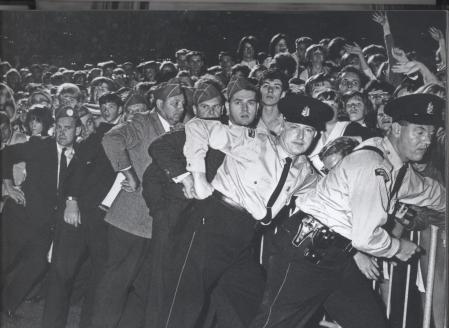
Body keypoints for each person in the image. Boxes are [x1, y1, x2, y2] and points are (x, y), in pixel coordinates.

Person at [249, 93, 446, 328]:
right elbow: (365, 237)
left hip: (337, 257)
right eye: (420, 132)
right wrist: (398, 247)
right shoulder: (373, 165)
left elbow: (429, 191)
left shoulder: (396, 167)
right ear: (395, 128)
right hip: (305, 254)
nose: (427, 141)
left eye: (431, 134)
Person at [162, 94, 332, 328]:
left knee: (252, 304)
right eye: (294, 127)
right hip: (212, 223)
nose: (300, 136)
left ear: (316, 136)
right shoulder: (254, 141)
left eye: (309, 130)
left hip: (244, 238)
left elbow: (325, 195)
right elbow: (198, 126)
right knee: (183, 306)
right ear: (282, 124)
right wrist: (198, 176)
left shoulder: (304, 170)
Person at [87, 77, 188, 328]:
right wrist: (129, 173)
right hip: (130, 220)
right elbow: (111, 140)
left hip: (159, 223)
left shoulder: (183, 128)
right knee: (116, 284)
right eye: (175, 103)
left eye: (183, 103)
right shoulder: (143, 122)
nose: (180, 108)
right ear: (159, 103)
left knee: (146, 289)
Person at [1, 106, 83, 321]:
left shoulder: (81, 154)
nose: (62, 132)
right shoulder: (40, 145)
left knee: (36, 264)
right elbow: (5, 154)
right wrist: (8, 186)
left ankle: (8, 304)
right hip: (20, 217)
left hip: (46, 224)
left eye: (68, 128)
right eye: (59, 127)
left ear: (78, 131)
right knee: (4, 261)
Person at [258, 68, 289, 135]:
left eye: (276, 87)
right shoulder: (250, 121)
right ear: (259, 90)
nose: (270, 90)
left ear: (283, 94)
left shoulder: (287, 125)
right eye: (266, 86)